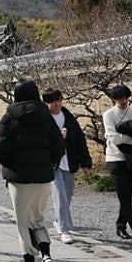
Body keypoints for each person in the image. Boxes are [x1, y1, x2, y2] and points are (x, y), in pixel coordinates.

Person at [0, 79, 65, 262]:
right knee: (38, 220)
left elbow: (0, 147)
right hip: (43, 177)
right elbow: (59, 146)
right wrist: (50, 163)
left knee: (23, 225)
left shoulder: (9, 116)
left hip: (19, 179)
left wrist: (8, 164)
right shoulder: (46, 117)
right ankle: (46, 256)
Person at [42, 88, 92, 244]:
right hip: (52, 163)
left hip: (68, 163)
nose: (57, 104)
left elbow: (79, 141)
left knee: (67, 194)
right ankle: (65, 230)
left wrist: (85, 162)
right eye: (53, 101)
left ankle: (58, 220)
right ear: (46, 103)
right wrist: (57, 138)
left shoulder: (69, 118)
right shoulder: (43, 119)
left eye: (59, 100)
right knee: (59, 195)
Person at [103, 84, 132, 243]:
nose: (122, 101)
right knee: (123, 193)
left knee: (128, 193)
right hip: (114, 157)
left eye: (125, 97)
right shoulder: (108, 114)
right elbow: (113, 138)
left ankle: (121, 225)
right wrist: (131, 135)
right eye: (119, 98)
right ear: (114, 99)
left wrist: (125, 135)